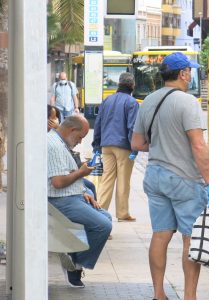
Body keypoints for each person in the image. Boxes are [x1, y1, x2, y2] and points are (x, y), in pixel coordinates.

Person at [131, 52, 209, 300]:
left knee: (161, 234)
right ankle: (190, 296)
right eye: (189, 71)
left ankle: (159, 293)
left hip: (155, 176)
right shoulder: (187, 102)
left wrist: (160, 145)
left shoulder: (148, 101)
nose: (191, 75)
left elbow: (136, 143)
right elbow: (198, 146)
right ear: (182, 74)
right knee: (190, 238)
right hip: (183, 179)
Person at [47, 115, 113, 288]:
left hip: (70, 195)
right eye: (80, 137)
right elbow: (58, 182)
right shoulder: (53, 145)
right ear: (72, 130)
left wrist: (83, 189)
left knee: (106, 218)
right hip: (60, 199)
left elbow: (67, 172)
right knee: (103, 225)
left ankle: (74, 258)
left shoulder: (61, 142)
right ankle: (75, 263)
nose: (79, 141)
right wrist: (81, 174)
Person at [92, 73, 139, 222]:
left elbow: (98, 124)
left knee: (106, 180)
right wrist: (135, 148)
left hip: (106, 145)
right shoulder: (132, 102)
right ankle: (122, 213)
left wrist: (97, 145)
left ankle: (98, 213)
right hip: (123, 146)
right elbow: (132, 127)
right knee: (123, 181)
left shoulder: (107, 100)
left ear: (119, 84)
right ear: (132, 86)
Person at [48, 104, 98, 199]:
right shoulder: (53, 142)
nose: (56, 122)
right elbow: (58, 182)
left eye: (57, 119)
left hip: (73, 192)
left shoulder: (60, 139)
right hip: (64, 197)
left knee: (90, 189)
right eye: (52, 118)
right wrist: (81, 173)